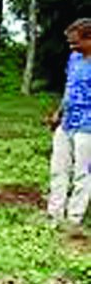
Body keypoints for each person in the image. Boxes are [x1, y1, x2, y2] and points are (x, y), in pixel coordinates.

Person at [47, 18, 91, 227]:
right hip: (67, 123)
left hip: (88, 127)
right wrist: (58, 112)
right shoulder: (74, 59)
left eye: (75, 42)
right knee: (58, 169)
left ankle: (74, 219)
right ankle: (54, 215)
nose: (71, 46)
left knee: (83, 173)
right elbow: (69, 88)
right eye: (70, 42)